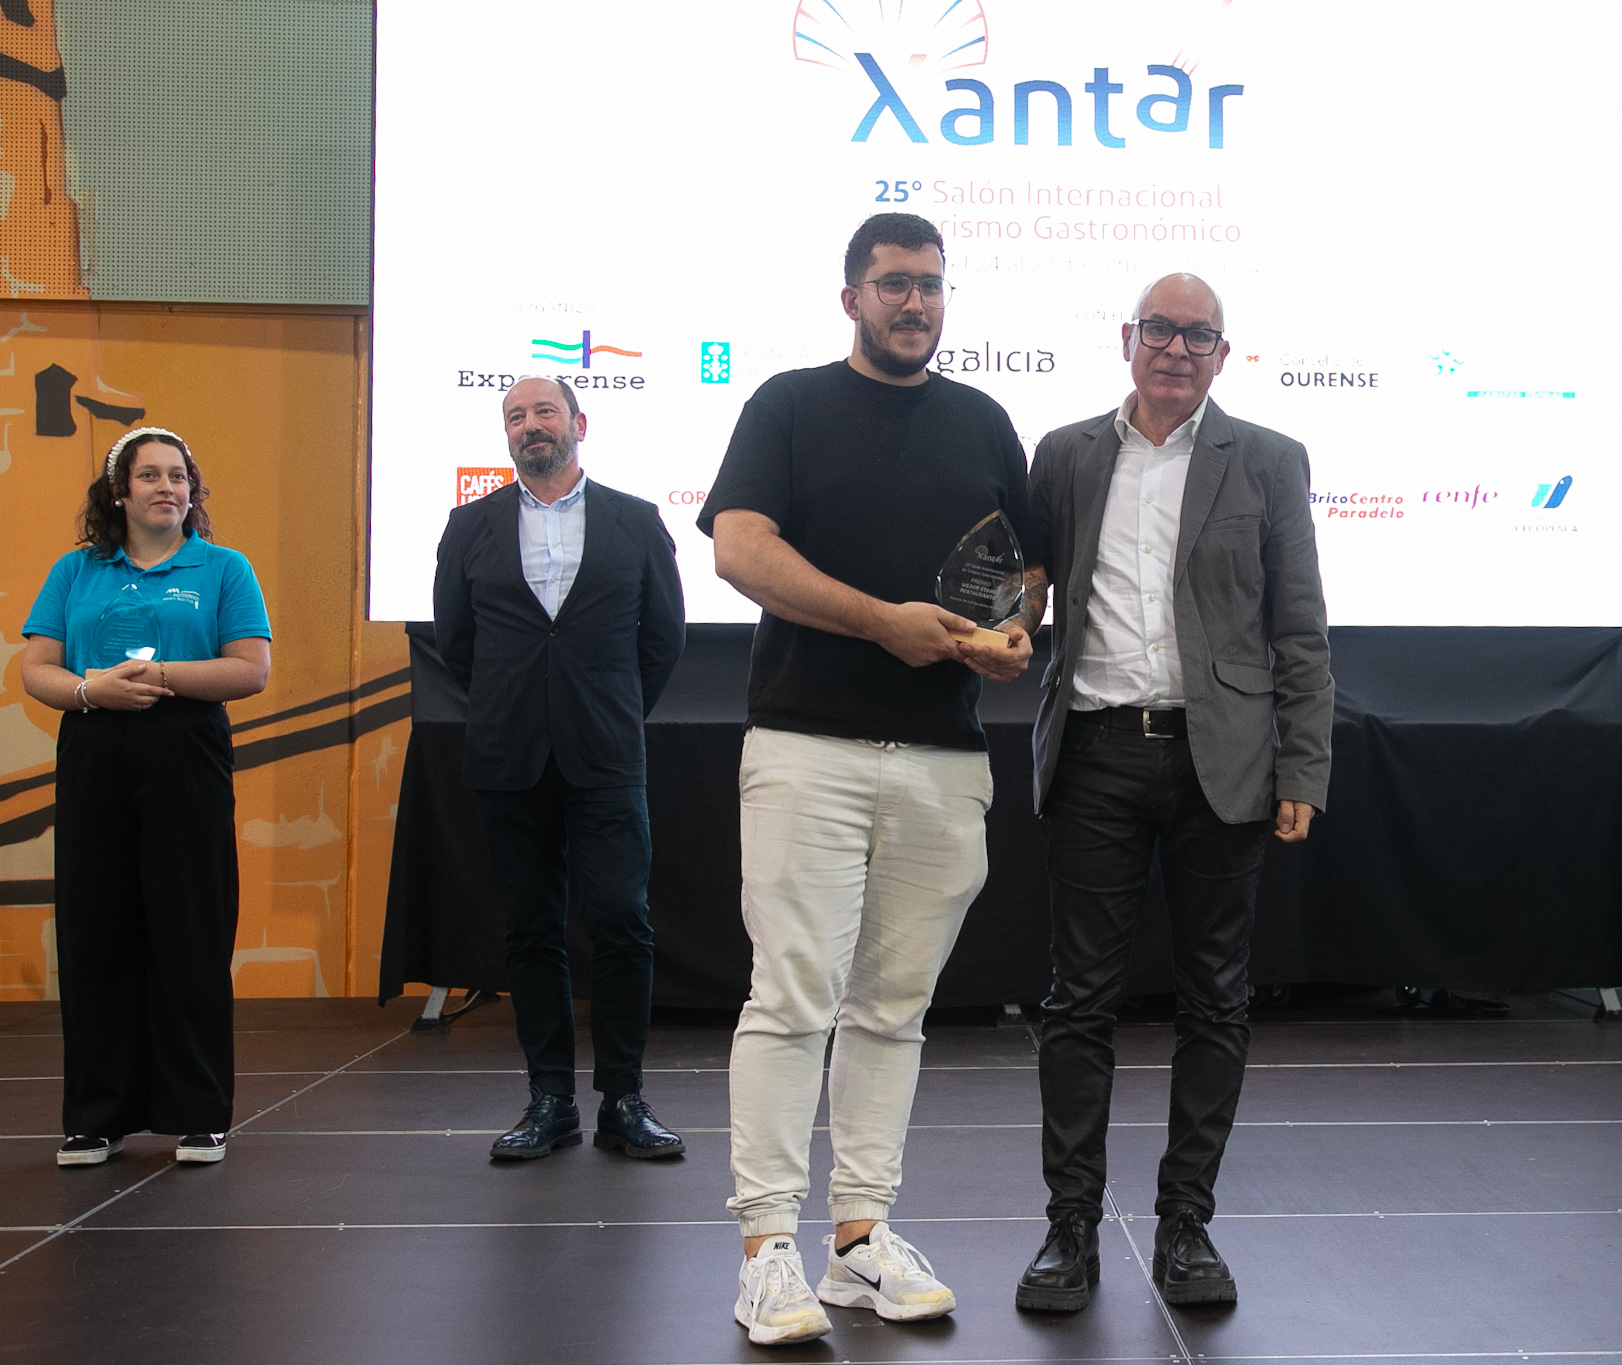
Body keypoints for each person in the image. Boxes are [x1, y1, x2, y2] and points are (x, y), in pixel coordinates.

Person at [698, 212, 1045, 1346]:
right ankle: (766, 1250)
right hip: (807, 748)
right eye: (894, 284)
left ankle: (858, 1242)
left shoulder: (983, 419)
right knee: (791, 999)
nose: (916, 304)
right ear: (851, 296)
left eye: (931, 286)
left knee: (893, 1011)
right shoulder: (788, 405)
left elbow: (1025, 570)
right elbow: (739, 547)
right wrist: (880, 622)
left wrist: (1012, 629)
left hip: (944, 759)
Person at [1014, 274, 1333, 1312]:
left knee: (1216, 1001)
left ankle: (1186, 1225)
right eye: (1160, 329)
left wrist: (1303, 764)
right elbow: (1027, 588)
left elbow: (1299, 629)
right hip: (1095, 754)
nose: (1176, 348)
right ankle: (1069, 1228)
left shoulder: (1268, 459)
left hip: (1223, 762)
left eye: (1199, 335)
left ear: (1222, 355)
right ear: (1127, 338)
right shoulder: (1065, 453)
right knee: (1078, 1002)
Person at [432, 376, 686, 1162]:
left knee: (621, 919)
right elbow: (457, 643)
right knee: (530, 928)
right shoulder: (468, 525)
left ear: (579, 422)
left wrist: (604, 707)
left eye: (544, 411)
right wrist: (520, 702)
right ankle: (549, 1099)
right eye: (515, 416)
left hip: (605, 752)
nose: (530, 425)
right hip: (507, 756)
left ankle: (624, 1099)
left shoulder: (636, 520)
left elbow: (662, 639)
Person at [21, 427, 272, 1168]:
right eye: (151, 476)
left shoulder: (224, 567)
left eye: (179, 476)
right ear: (118, 492)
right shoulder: (75, 570)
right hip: (94, 745)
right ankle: (96, 1117)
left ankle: (199, 1113)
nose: (168, 488)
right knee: (96, 928)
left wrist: (158, 677)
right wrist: (89, 691)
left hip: (186, 748)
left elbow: (250, 669)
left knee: (190, 927)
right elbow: (36, 667)